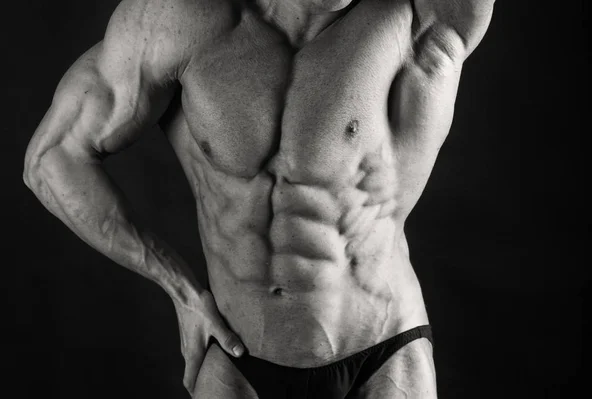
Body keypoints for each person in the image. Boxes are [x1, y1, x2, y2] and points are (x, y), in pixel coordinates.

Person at [23, 0, 495, 397]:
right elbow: (52, 159)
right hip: (239, 359)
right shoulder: (177, 21)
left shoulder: (418, 18)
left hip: (384, 352)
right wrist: (181, 291)